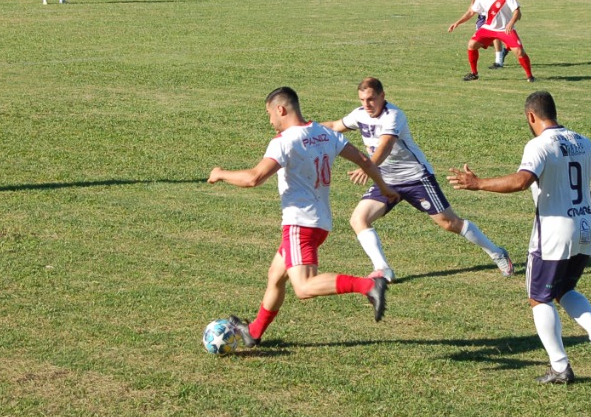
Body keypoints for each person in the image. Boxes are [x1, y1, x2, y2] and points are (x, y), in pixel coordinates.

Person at [447, 91, 591, 384]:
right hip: (585, 228)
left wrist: (479, 183)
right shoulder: (582, 141)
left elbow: (522, 181)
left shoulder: (539, 145)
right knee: (565, 289)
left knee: (539, 298)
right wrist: (583, 207)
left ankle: (560, 367)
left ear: (531, 116)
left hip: (553, 232)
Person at [209, 88, 399, 348]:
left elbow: (254, 178)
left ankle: (368, 285)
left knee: (304, 286)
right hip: (320, 222)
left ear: (281, 109)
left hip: (299, 224)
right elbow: (365, 161)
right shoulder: (325, 133)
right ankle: (253, 332)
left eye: (269, 114)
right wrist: (385, 188)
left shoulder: (284, 141)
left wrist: (221, 174)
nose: (270, 121)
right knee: (276, 275)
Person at [322, 77, 514, 281]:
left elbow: (385, 146)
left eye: (371, 99)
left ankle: (497, 253)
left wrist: (367, 166)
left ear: (382, 96)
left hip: (416, 178)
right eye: (362, 100)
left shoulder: (394, 115)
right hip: (387, 180)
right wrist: (306, 128)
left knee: (449, 223)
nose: (366, 104)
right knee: (358, 219)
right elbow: (334, 125)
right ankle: (383, 268)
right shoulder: (359, 114)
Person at [450, 0, 536, 82]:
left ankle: (530, 76)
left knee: (519, 51)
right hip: (489, 28)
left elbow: (516, 10)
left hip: (505, 29)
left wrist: (511, 22)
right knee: (471, 45)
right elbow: (471, 12)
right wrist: (457, 22)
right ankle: (474, 73)